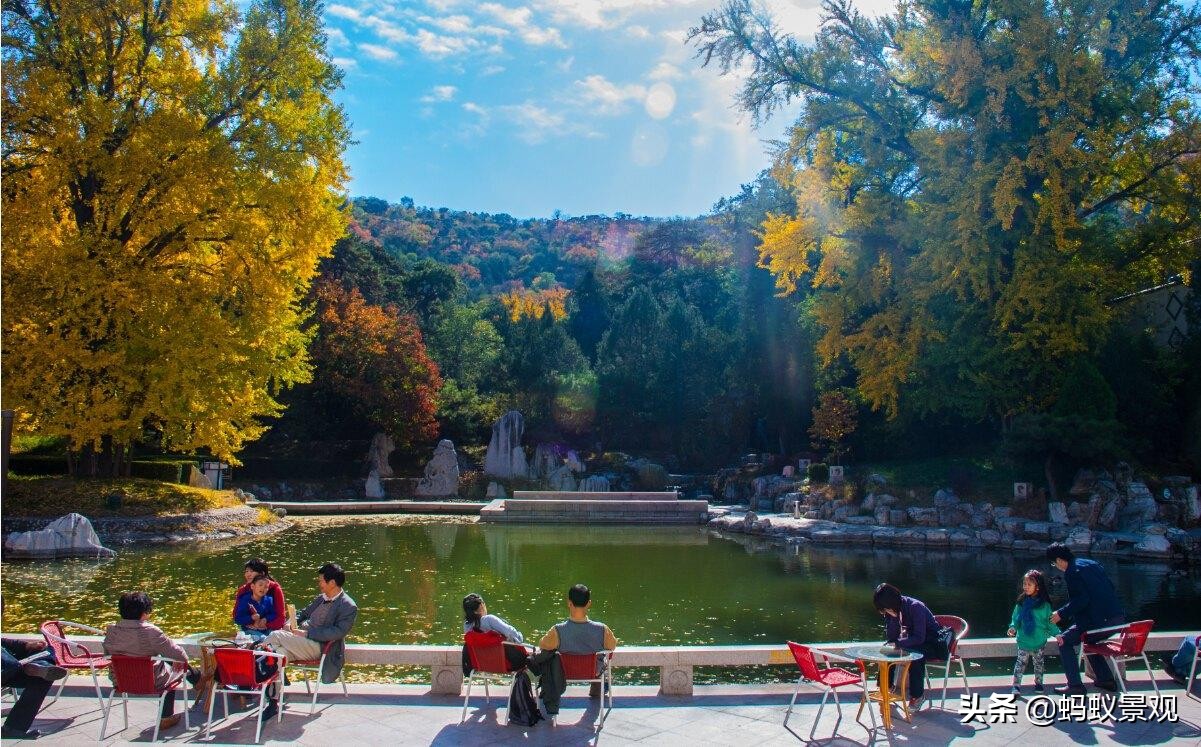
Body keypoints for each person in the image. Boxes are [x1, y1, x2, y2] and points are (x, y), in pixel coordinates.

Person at [102, 592, 200, 733]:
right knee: (172, 668)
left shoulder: (111, 631)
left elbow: (108, 655)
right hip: (151, 681)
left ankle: (197, 678)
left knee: (167, 665)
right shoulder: (151, 631)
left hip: (120, 681)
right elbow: (181, 656)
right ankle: (166, 717)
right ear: (144, 612)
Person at [263, 562, 357, 703]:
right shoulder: (322, 598)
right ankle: (273, 699)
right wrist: (290, 622)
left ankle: (253, 663)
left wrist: (307, 634)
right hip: (300, 642)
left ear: (332, 583)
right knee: (279, 654)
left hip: (321, 647)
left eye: (321, 580)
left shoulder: (348, 605)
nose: (319, 583)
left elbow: (337, 632)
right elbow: (303, 613)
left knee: (275, 636)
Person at [1046, 543, 1124, 694]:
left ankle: (1075, 685)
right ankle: (1106, 680)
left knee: (1064, 640)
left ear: (1059, 560)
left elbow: (1082, 600)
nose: (1056, 567)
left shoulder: (1071, 572)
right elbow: (1110, 588)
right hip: (1117, 618)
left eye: (1053, 563)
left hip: (1100, 621)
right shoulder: (1091, 563)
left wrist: (1060, 614)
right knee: (1089, 639)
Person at [537, 584, 617, 702]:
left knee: (549, 656)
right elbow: (612, 646)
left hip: (565, 672)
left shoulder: (557, 630)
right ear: (589, 603)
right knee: (602, 659)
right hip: (593, 672)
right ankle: (598, 689)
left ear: (569, 603)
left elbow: (542, 645)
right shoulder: (602, 629)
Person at [873, 582, 947, 710]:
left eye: (886, 609)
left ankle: (917, 696)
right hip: (912, 642)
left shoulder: (915, 607)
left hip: (932, 643)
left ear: (892, 603)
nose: (885, 612)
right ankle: (885, 688)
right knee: (886, 650)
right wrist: (893, 619)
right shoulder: (892, 611)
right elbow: (892, 637)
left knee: (916, 656)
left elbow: (920, 637)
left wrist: (898, 643)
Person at [1, 638, 67, 739]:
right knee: (13, 665)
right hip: (6, 669)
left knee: (45, 652)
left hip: (10, 666)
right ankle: (35, 666)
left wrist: (27, 645)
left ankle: (14, 729)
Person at [1006, 569, 1056, 695]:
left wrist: (1058, 634)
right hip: (1024, 639)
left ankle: (1039, 683)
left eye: (1029, 584)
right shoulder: (1021, 603)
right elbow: (1016, 618)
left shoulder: (1045, 605)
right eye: (1024, 584)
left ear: (1037, 586)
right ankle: (1016, 685)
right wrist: (1013, 627)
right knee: (1020, 663)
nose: (1026, 587)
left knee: (1039, 663)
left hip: (1039, 639)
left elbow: (1050, 622)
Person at [462, 593, 528, 670]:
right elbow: (513, 635)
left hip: (482, 665)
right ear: (481, 606)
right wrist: (520, 636)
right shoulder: (489, 620)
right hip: (507, 664)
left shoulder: (467, 626)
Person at [231, 559, 287, 633]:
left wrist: (264, 624)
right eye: (246, 571)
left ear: (262, 574)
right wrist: (251, 621)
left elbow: (281, 618)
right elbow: (236, 616)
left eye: (251, 571)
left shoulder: (275, 589)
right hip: (249, 629)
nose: (248, 574)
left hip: (270, 629)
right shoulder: (243, 590)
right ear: (252, 586)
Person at [235, 574, 279, 641]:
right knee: (263, 639)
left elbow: (273, 614)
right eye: (260, 585)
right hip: (248, 629)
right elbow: (238, 619)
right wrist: (251, 618)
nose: (263, 588)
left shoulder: (269, 599)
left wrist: (265, 619)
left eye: (266, 587)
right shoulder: (245, 600)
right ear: (252, 586)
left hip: (264, 628)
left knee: (276, 636)